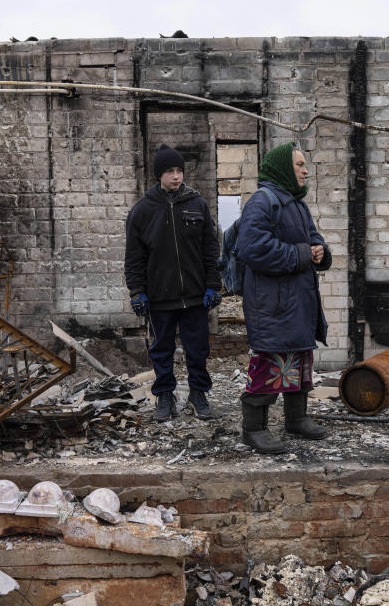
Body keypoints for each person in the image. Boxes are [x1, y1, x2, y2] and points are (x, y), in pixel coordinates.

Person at [235, 142, 331, 453]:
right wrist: (304, 253)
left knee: (300, 360)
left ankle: (296, 418)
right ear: (282, 168)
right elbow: (252, 248)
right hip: (273, 305)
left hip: (298, 302)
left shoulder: (296, 203)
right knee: (271, 363)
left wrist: (320, 252)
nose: (306, 170)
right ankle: (254, 429)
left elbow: (313, 239)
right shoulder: (262, 202)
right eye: (300, 165)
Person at [124, 144, 222, 421]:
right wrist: (137, 291)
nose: (176, 176)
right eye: (169, 171)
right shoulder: (142, 211)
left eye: (179, 170)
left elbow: (210, 249)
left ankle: (198, 394)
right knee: (161, 350)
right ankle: (165, 396)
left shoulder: (197, 204)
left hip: (194, 295)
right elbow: (134, 257)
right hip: (159, 296)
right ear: (159, 175)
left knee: (198, 348)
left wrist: (213, 284)